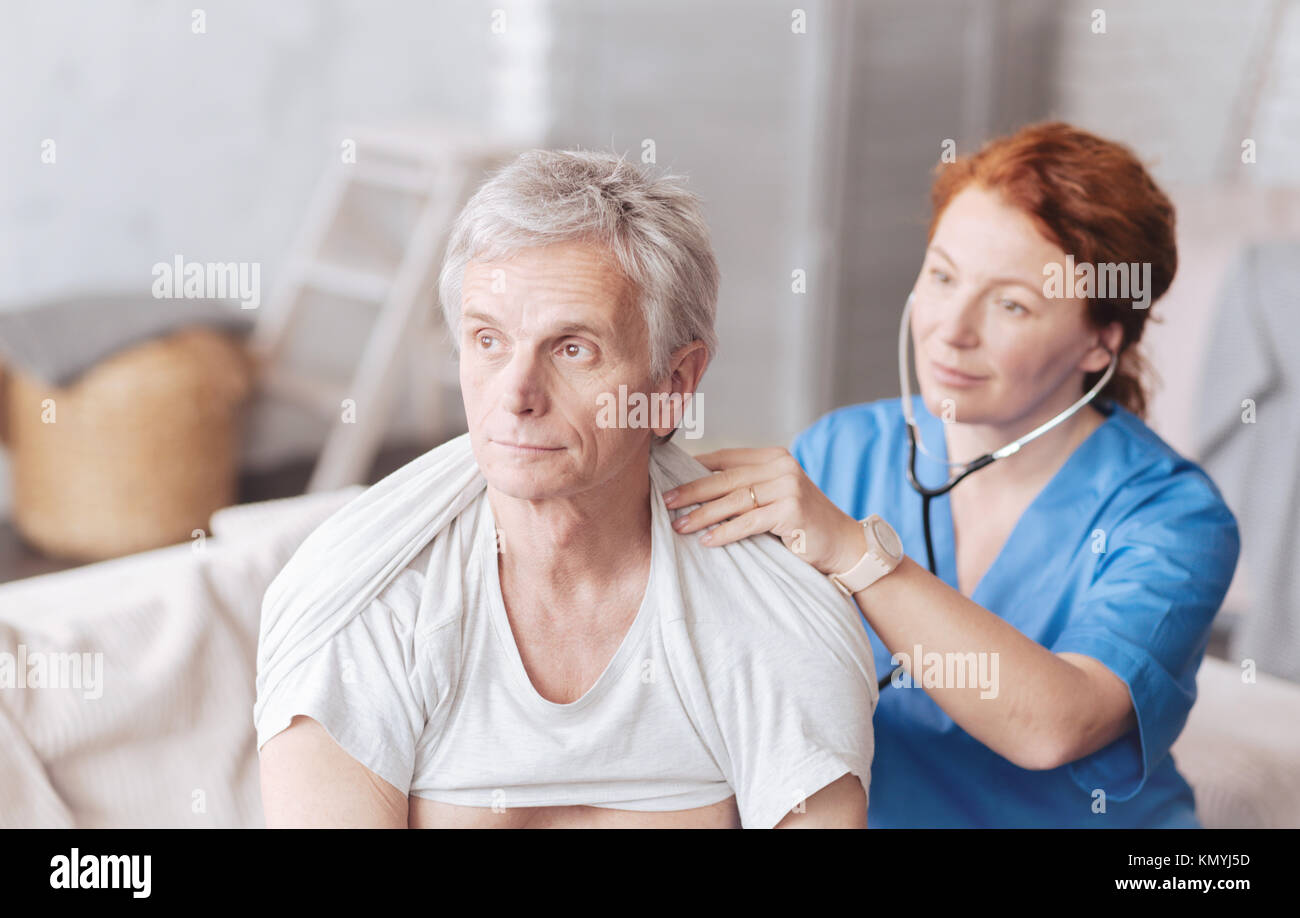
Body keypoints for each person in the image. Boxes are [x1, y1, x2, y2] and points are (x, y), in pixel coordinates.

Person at [255, 149, 879, 829]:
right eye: (488, 340)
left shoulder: (774, 615)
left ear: (673, 385)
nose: (515, 395)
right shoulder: (362, 598)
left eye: (572, 348)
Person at [664, 122, 1241, 828]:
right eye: (941, 277)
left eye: (1011, 304)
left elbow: (1056, 725)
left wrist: (858, 554)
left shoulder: (1173, 515)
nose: (951, 329)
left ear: (1101, 342)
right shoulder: (841, 452)